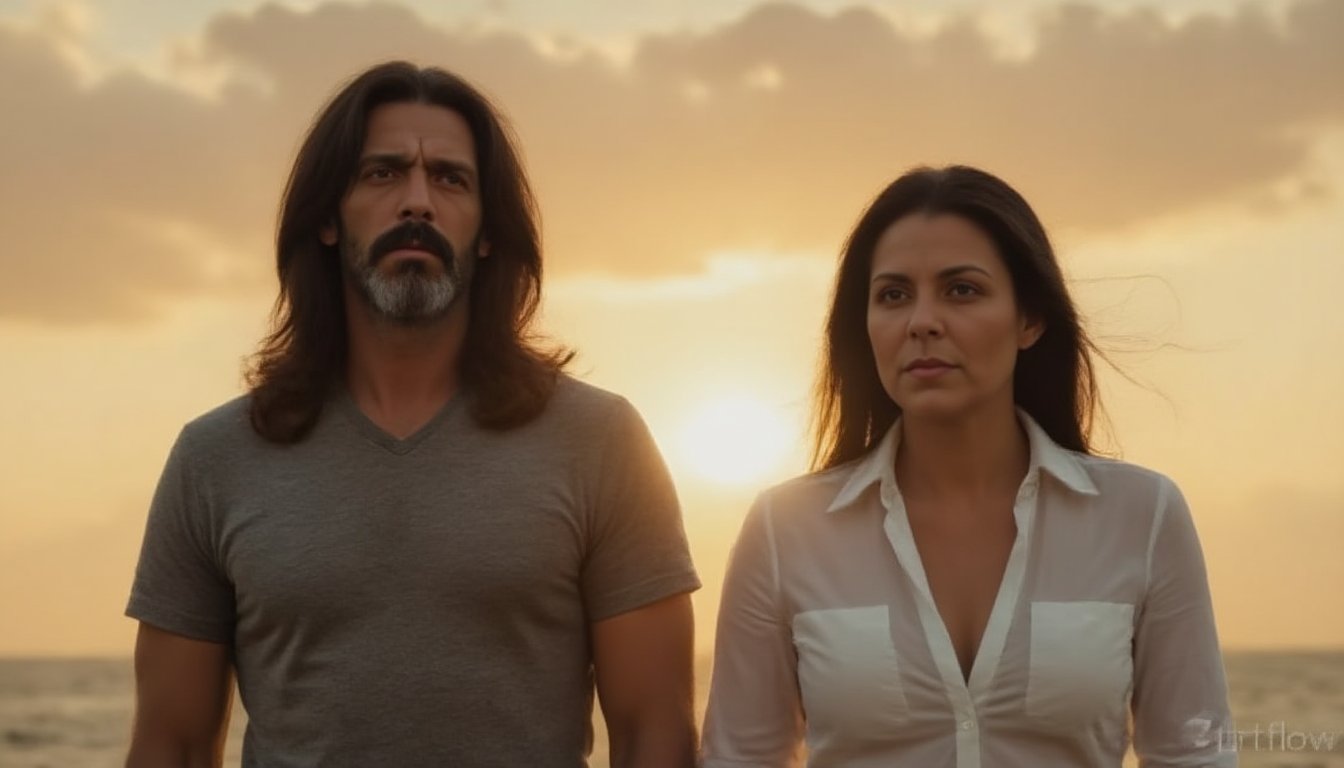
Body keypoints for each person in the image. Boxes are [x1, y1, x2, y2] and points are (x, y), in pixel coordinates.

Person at [125, 61, 700, 768]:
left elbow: (656, 735)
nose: (418, 202)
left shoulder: (601, 442)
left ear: (489, 232)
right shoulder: (214, 459)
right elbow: (170, 745)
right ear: (329, 219)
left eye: (451, 179)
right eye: (382, 174)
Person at [701, 165, 1234, 767]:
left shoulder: (1143, 516)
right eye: (893, 295)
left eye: (962, 290)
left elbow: (1194, 756)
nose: (922, 321)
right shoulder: (784, 530)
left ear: (1030, 319)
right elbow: (739, 758)